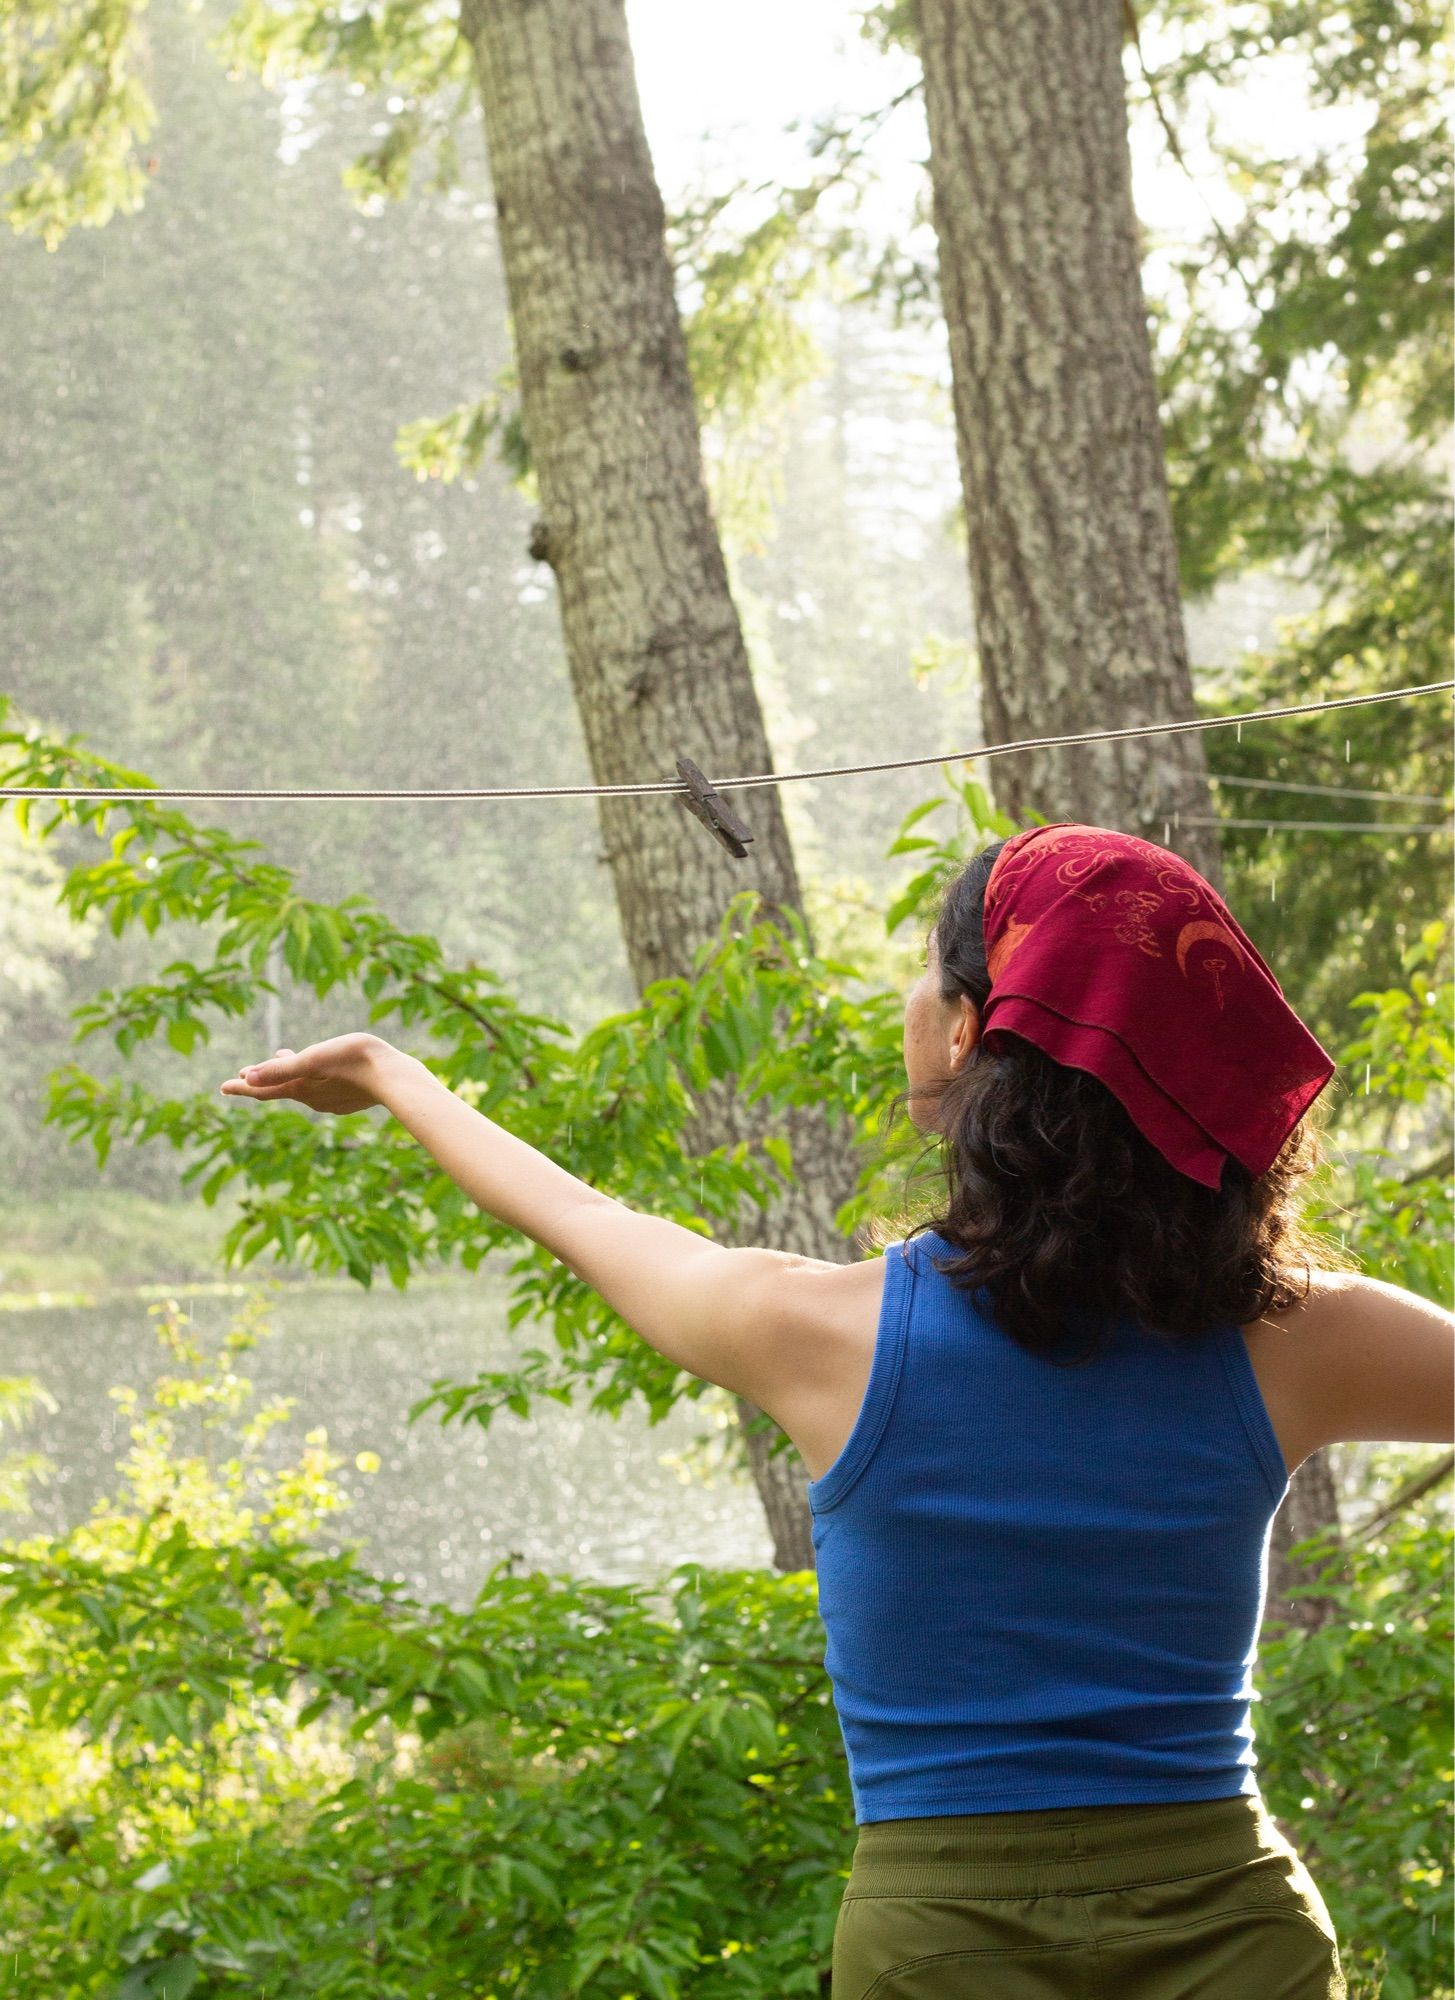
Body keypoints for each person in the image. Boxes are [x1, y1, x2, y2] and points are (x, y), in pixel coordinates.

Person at [221, 821, 1454, 2000]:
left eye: (929, 972)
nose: (912, 997)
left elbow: (584, 1219)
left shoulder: (823, 1332)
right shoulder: (1297, 1335)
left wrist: (393, 1073)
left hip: (940, 1948)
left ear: (973, 1031)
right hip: (1234, 1933)